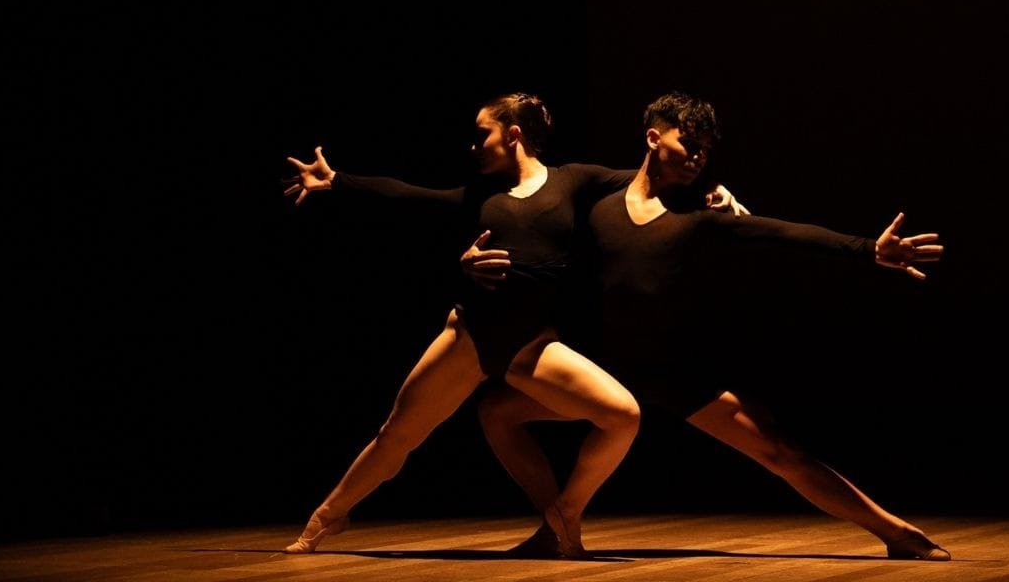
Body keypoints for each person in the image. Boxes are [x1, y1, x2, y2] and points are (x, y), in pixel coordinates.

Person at [466, 91, 952, 561]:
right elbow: (532, 232)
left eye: (704, 149)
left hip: (674, 371)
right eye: (687, 144)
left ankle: (894, 530)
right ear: (653, 138)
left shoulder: (701, 214)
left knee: (778, 451)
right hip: (604, 370)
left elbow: (781, 233)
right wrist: (468, 262)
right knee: (497, 411)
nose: (697, 157)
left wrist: (868, 249)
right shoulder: (597, 203)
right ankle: (557, 523)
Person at [280, 92, 745, 557]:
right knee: (397, 436)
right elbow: (410, 197)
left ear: (513, 134)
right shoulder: (482, 194)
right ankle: (327, 518)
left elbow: (651, 177)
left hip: (532, 345)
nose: (474, 144)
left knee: (622, 414)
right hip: (470, 337)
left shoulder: (574, 181)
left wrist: (712, 192)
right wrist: (339, 181)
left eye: (483, 132)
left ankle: (561, 522)